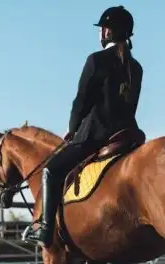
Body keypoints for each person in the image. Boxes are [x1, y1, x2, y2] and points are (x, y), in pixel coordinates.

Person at [22, 5, 144, 248]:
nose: (100, 33)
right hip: (128, 135)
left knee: (50, 171)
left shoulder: (96, 60)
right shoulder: (136, 67)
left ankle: (45, 229)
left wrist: (73, 129)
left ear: (107, 33)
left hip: (96, 135)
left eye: (102, 29)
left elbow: (82, 100)